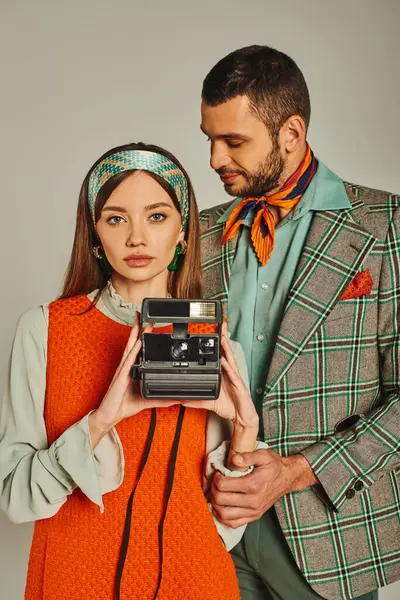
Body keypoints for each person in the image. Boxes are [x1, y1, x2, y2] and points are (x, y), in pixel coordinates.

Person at [0, 142, 263, 600]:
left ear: (184, 231)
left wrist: (245, 432)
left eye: (157, 216)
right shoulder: (42, 329)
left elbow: (225, 524)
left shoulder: (222, 346)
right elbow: (16, 498)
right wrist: (101, 421)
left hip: (195, 582)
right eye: (116, 218)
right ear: (94, 232)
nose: (137, 238)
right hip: (73, 581)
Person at [199, 45, 400, 600]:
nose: (215, 158)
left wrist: (295, 471)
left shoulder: (384, 226)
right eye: (209, 139)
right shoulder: (195, 234)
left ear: (291, 132)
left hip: (328, 534)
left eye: (233, 141)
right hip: (209, 531)